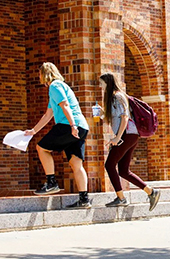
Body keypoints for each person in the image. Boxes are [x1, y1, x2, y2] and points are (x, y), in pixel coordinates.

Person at [24, 62, 91, 209]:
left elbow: (65, 105)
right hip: (82, 126)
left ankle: (51, 182)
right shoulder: (60, 87)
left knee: (41, 148)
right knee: (76, 164)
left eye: (40, 74)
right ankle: (84, 199)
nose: (39, 76)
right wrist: (34, 131)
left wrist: (72, 126)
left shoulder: (55, 86)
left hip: (69, 125)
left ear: (44, 74)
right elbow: (48, 114)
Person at [99, 72, 161, 211]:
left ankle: (121, 198)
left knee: (109, 165)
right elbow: (117, 118)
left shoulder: (117, 96)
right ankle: (151, 192)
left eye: (101, 83)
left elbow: (125, 118)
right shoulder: (116, 97)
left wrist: (117, 137)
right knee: (123, 171)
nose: (100, 86)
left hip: (127, 135)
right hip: (131, 135)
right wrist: (103, 113)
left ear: (107, 83)